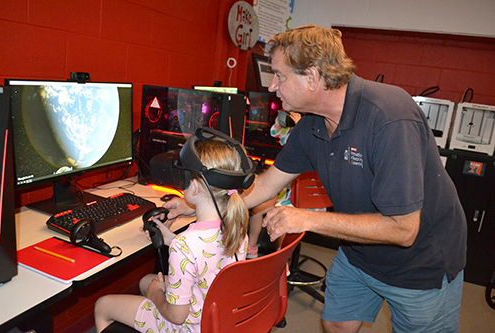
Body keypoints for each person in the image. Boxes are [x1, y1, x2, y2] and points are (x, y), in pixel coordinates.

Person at [164, 24, 467, 333]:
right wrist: (206, 204)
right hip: (361, 252)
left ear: (312, 77)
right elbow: (267, 185)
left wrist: (307, 219)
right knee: (335, 324)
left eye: (280, 76)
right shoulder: (312, 126)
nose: (272, 87)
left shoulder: (388, 118)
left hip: (420, 264)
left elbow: (404, 229)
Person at [94, 136, 249, 332]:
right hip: (214, 314)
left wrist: (155, 295)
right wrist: (172, 240)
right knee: (145, 281)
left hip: (186, 326)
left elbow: (177, 317)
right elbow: (207, 257)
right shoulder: (237, 227)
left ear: (193, 187)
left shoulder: (184, 245)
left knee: (103, 305)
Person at [247, 111, 301, 258]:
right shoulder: (290, 133)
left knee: (283, 216)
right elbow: (275, 131)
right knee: (257, 208)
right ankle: (251, 247)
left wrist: (299, 126)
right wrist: (282, 118)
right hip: (282, 188)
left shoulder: (309, 134)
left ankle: (280, 256)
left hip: (299, 193)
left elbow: (305, 144)